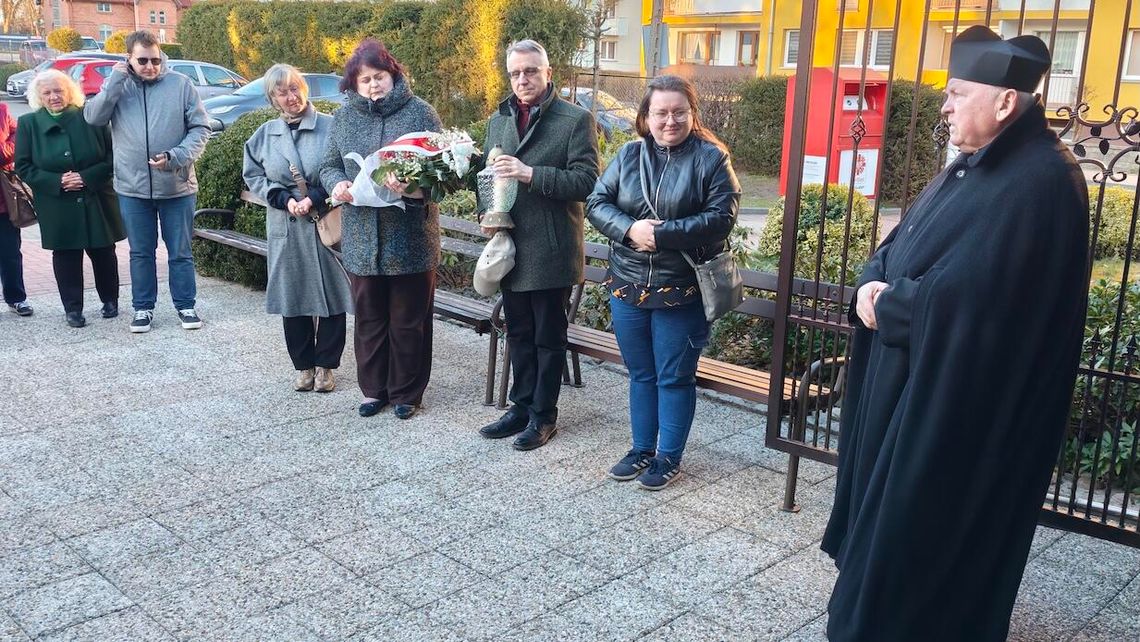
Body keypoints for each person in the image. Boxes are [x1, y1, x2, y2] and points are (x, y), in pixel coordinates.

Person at [820, 26, 1089, 641]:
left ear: (1003, 103)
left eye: (958, 93)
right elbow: (899, 245)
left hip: (959, 415)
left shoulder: (1043, 183)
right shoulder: (970, 166)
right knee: (882, 540)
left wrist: (888, 307)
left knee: (917, 548)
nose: (943, 106)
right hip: (910, 388)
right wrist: (871, 280)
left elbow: (988, 306)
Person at [586, 75, 740, 489]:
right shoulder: (628, 155)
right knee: (641, 374)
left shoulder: (711, 159)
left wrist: (662, 234)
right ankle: (642, 449)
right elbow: (597, 203)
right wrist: (630, 229)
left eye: (678, 112)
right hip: (628, 288)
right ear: (645, 117)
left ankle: (668, 456)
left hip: (682, 291)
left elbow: (721, 217)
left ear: (692, 114)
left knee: (673, 377)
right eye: (660, 113)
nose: (669, 121)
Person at [476, 39, 599, 451]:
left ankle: (544, 415)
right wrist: (486, 215)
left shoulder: (575, 119)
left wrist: (531, 173)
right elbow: (486, 178)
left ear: (548, 73)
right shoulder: (499, 120)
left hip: (551, 249)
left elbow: (587, 183)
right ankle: (520, 406)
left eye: (531, 71)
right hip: (510, 247)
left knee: (549, 337)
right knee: (519, 333)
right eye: (515, 73)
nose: (523, 79)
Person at [319, 38, 442, 420]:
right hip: (361, 237)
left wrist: (416, 187)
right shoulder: (344, 118)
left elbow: (445, 174)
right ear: (353, 85)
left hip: (410, 239)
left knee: (409, 321)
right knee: (369, 320)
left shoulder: (421, 114)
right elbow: (328, 165)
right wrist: (336, 184)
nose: (373, 85)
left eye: (379, 76)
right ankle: (374, 390)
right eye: (364, 79)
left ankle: (407, 393)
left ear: (394, 75)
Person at [84, 29, 210, 334]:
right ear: (129, 58)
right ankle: (143, 308)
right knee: (141, 252)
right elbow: (93, 117)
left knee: (180, 250)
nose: (150, 66)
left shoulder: (180, 84)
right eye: (143, 60)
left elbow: (200, 129)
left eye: (156, 59)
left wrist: (176, 156)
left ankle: (185, 306)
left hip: (176, 186)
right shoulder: (118, 86)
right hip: (133, 188)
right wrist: (114, 83)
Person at [243, 64, 352, 393]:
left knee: (333, 297)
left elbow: (344, 170)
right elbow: (253, 176)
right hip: (286, 226)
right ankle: (303, 366)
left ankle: (326, 366)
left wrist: (316, 198)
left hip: (324, 222)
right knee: (293, 298)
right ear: (272, 98)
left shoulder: (331, 127)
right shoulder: (264, 135)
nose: (291, 97)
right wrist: (280, 198)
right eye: (282, 92)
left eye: (295, 88)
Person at [15, 70, 123, 328]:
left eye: (58, 90)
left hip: (95, 196)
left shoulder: (90, 118)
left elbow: (112, 157)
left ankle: (110, 301)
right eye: (47, 92)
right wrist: (57, 181)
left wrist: (86, 177)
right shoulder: (29, 124)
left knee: (103, 251)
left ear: (70, 92)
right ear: (39, 97)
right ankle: (72, 309)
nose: (54, 97)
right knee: (66, 255)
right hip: (56, 202)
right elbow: (24, 166)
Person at [0, 101, 31, 318]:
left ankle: (16, 298)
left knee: (10, 252)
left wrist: (5, 150)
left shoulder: (2, 110)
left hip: (3, 200)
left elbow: (17, 136)